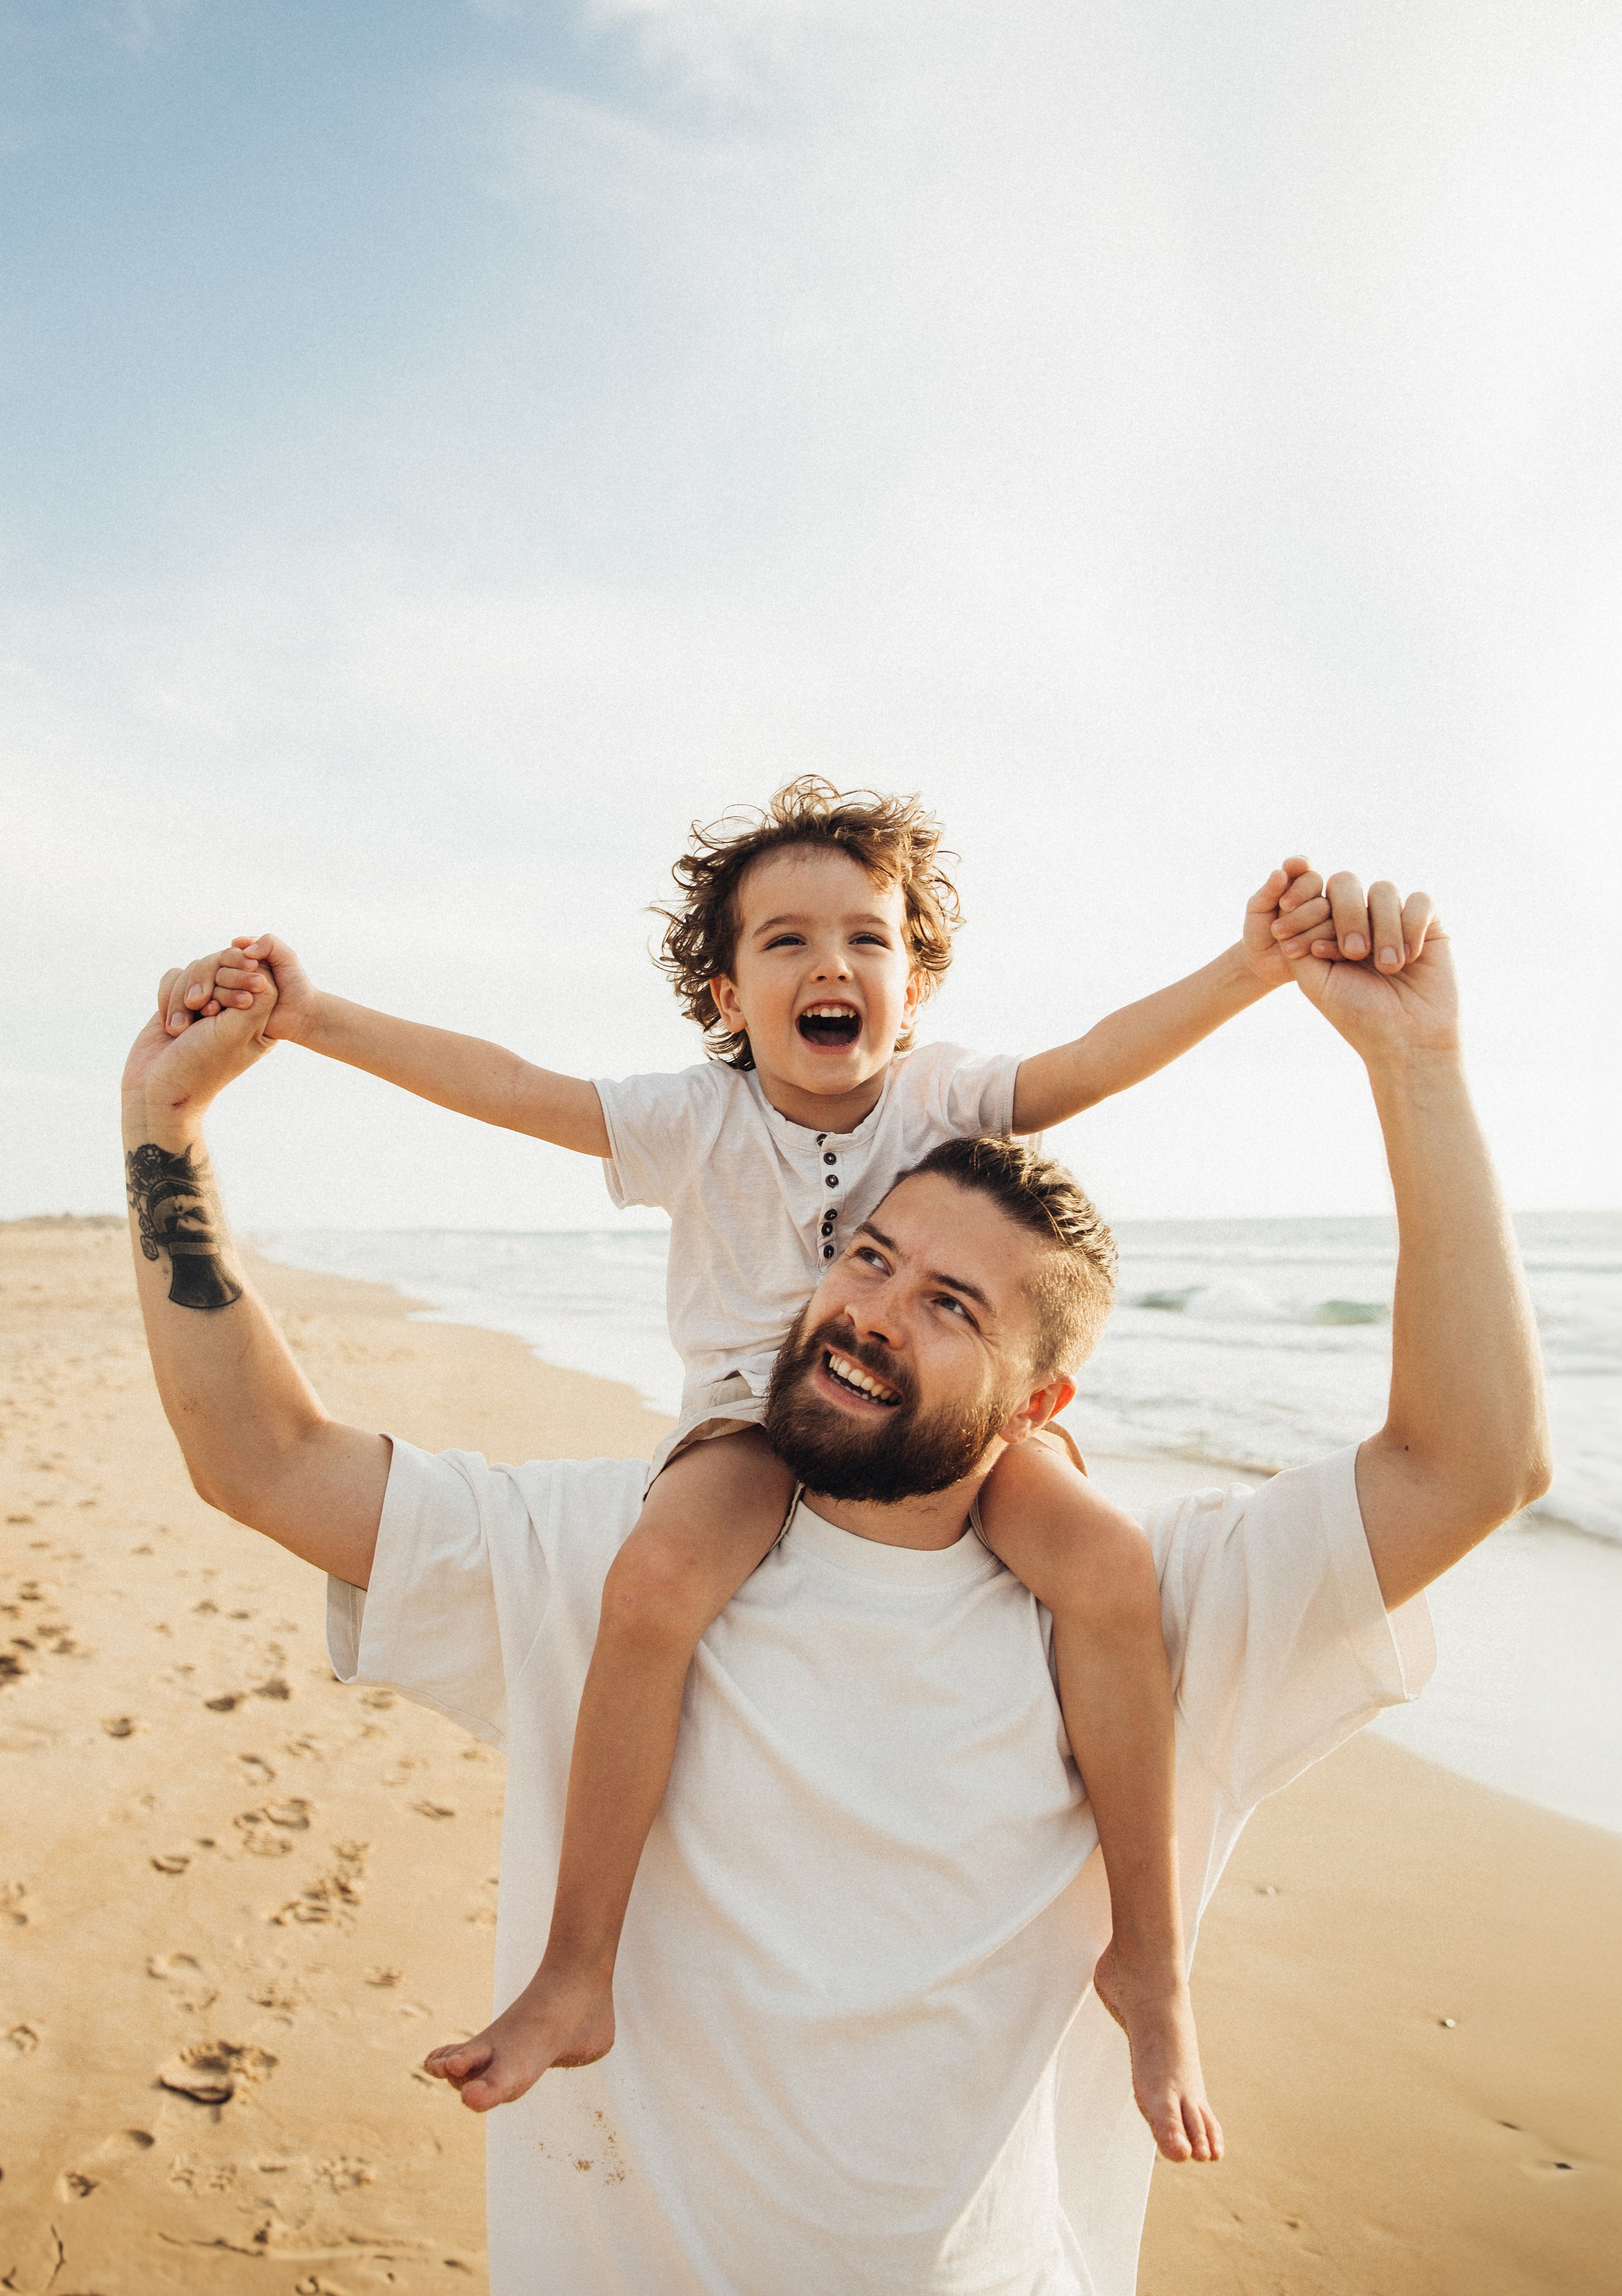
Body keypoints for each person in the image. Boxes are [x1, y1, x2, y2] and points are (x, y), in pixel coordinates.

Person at [124, 867, 1547, 2296]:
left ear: (1042, 1405)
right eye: (868, 1258)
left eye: (950, 1305)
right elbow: (261, 1457)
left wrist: (1412, 1064)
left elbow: (1470, 1462)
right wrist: (165, 1128)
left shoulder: (1135, 1607)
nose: (868, 1309)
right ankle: (581, 1969)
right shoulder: (617, 1555)